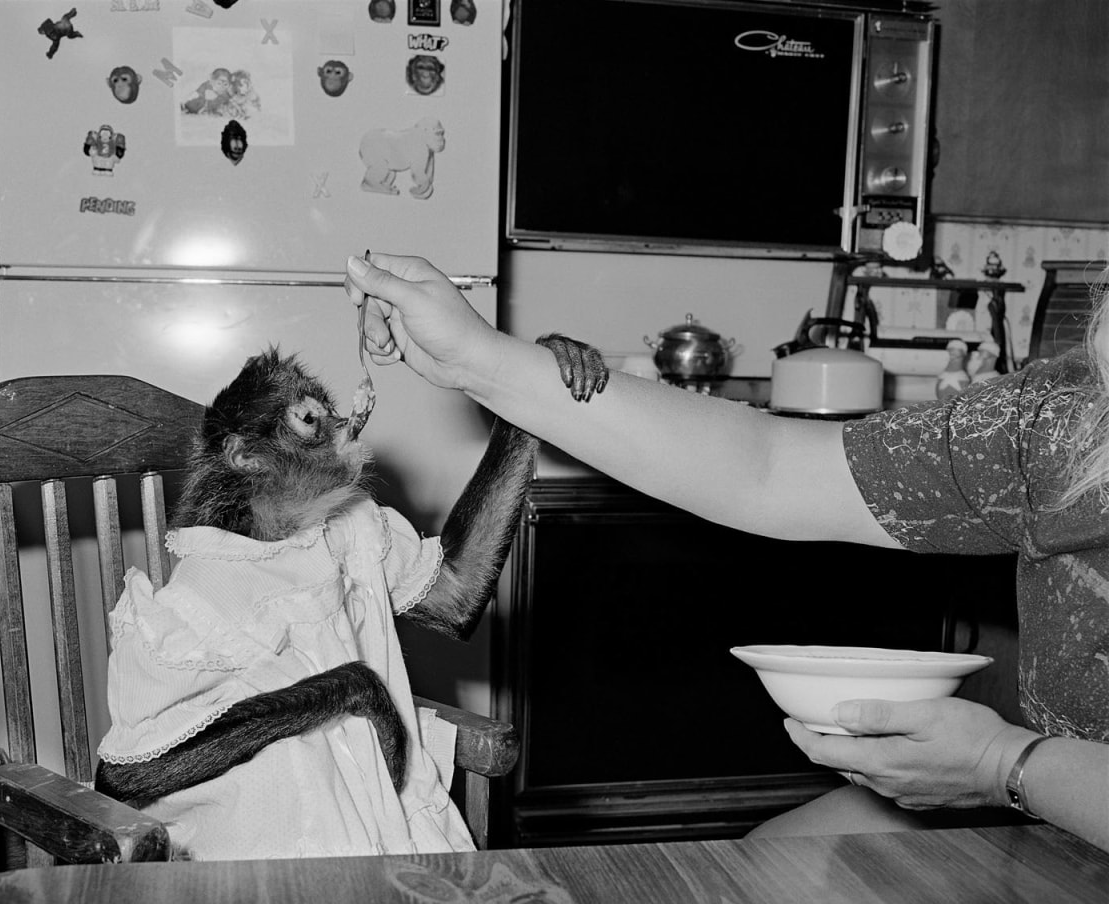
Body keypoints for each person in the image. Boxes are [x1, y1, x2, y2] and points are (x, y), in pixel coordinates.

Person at [343, 253, 1109, 853]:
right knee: (759, 876)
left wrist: (1005, 768)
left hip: (1031, 791)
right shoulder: (1063, 420)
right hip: (1047, 821)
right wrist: (479, 358)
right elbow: (768, 468)